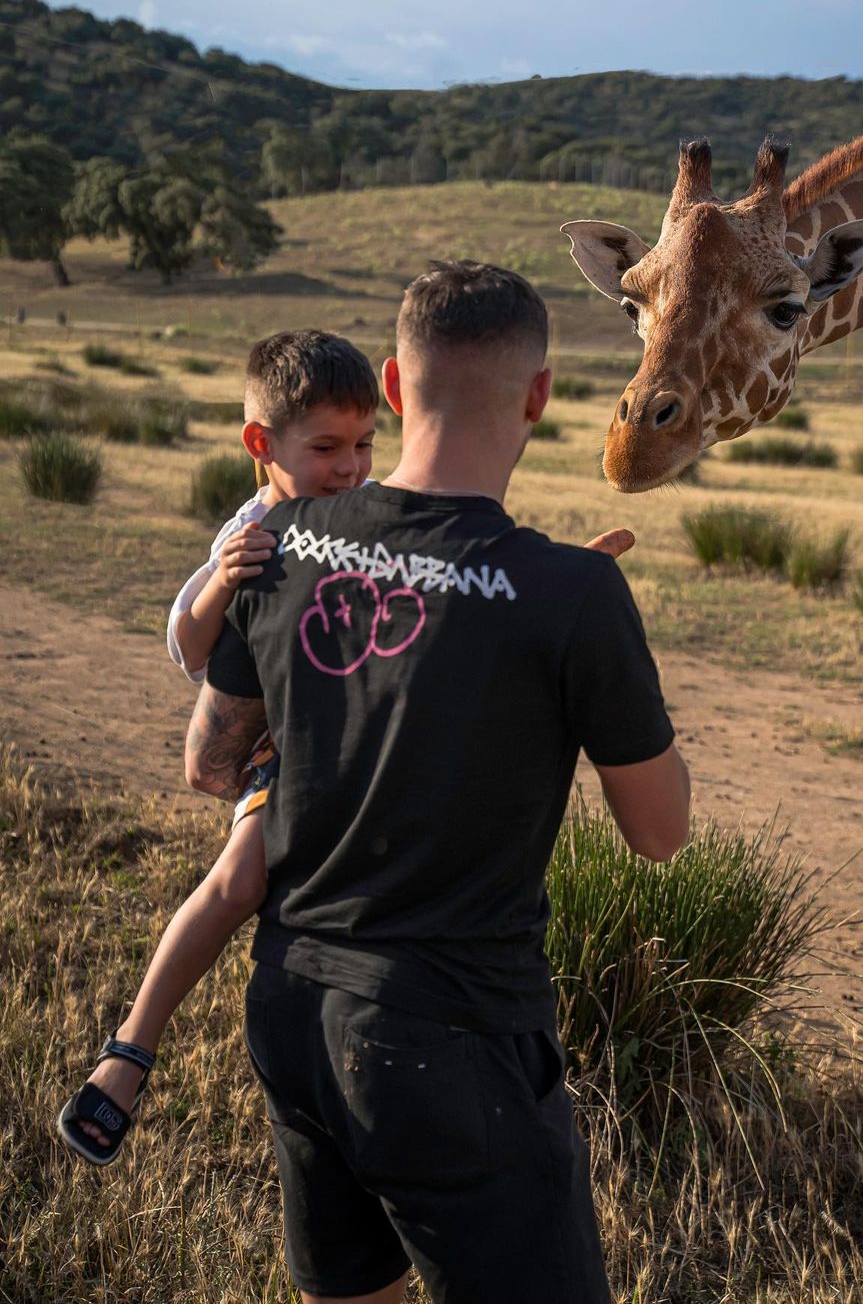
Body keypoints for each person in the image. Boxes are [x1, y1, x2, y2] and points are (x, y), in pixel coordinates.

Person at [186, 261, 690, 1304]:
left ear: (394, 388)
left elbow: (212, 763)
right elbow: (660, 831)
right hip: (454, 1046)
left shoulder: (272, 540)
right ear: (541, 397)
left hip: (292, 1008)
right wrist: (579, 658)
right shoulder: (573, 591)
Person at [57, 330, 380, 1165]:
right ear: (260, 446)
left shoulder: (373, 507)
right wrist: (225, 579)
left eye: (365, 444)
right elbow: (187, 646)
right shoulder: (252, 528)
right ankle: (130, 1049)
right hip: (277, 747)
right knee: (237, 881)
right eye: (328, 448)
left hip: (359, 740)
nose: (350, 467)